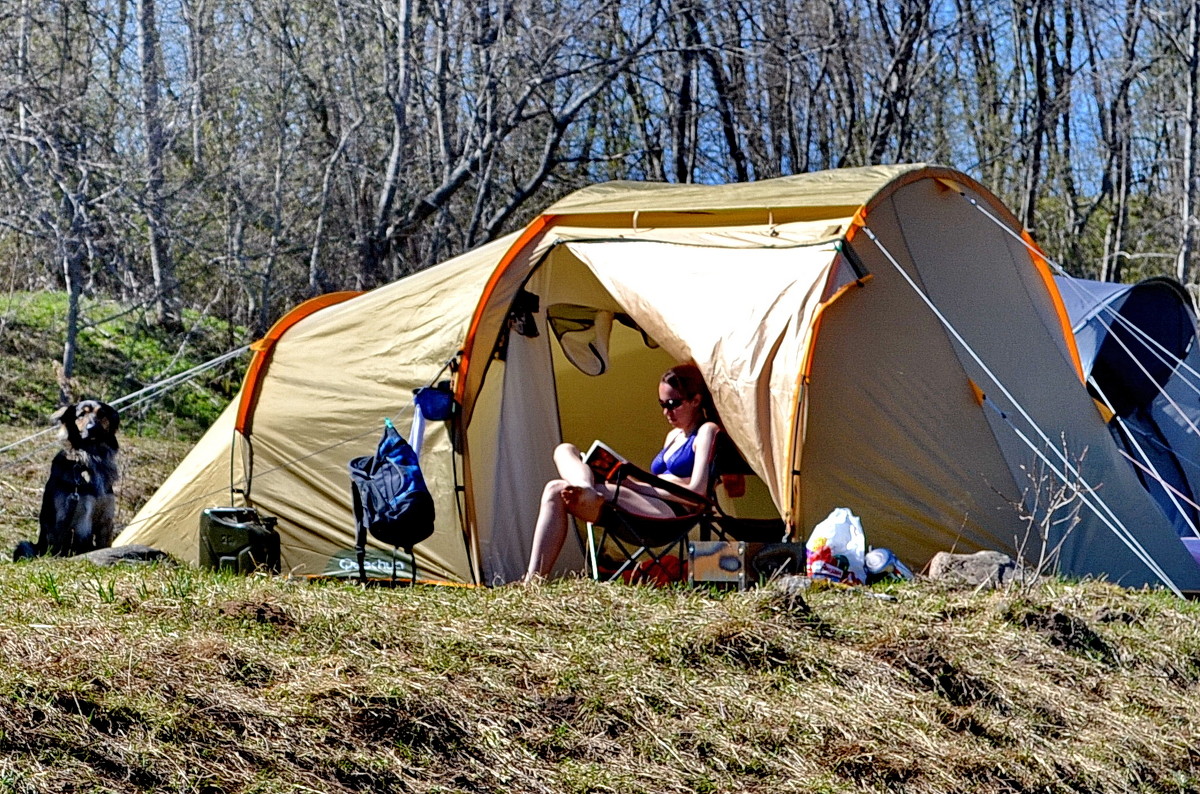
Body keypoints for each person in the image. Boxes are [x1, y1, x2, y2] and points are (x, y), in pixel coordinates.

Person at [523, 363, 721, 583]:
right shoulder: (673, 436)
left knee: (559, 487)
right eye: (662, 404)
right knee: (562, 457)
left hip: (670, 516)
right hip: (644, 499)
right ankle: (533, 582)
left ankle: (588, 490)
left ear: (695, 400)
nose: (667, 412)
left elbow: (698, 493)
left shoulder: (706, 431)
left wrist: (635, 485)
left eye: (673, 404)